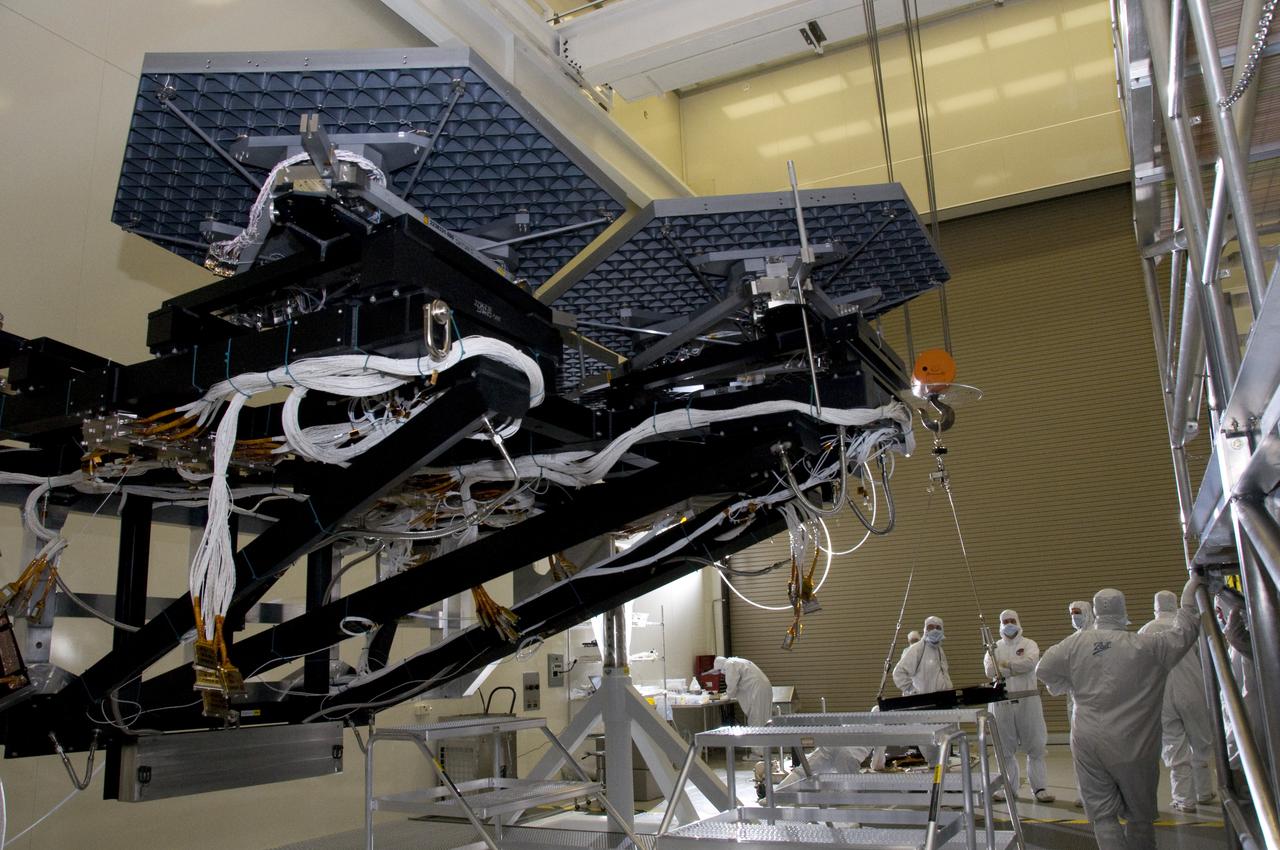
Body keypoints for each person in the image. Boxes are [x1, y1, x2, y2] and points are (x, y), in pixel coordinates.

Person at [1036, 577, 1201, 850]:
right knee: (1140, 814)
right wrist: (1188, 597)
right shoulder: (1147, 646)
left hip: (1087, 738)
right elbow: (1184, 633)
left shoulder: (1075, 644)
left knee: (1102, 815)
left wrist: (1068, 684)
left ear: (1096, 611)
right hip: (1135, 742)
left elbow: (1043, 669)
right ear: (1123, 610)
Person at [1139, 590, 1215, 812]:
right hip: (1193, 688)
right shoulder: (1190, 626)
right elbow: (1207, 657)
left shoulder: (1146, 630)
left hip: (1162, 693)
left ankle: (1183, 798)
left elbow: (1140, 666)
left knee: (1174, 743)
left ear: (1155, 606)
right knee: (1200, 740)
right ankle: (1204, 792)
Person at [984, 609, 1054, 803]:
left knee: (1036, 746)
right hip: (1002, 702)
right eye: (1005, 621)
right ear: (1000, 624)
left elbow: (1030, 664)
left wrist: (1004, 665)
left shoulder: (1029, 644)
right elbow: (990, 669)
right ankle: (1008, 788)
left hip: (1028, 701)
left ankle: (1040, 788)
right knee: (1004, 749)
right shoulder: (993, 647)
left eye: (1011, 620)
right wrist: (1013, 666)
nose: (1008, 624)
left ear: (1018, 621)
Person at [1066, 599, 1094, 807]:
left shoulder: (1100, 637)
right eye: (1072, 613)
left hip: (1103, 705)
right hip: (1078, 705)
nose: (1075, 616)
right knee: (1081, 753)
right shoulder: (1070, 642)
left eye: (1078, 612)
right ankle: (1085, 794)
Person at [893, 616, 952, 695]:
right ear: (925, 630)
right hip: (923, 702)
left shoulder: (939, 650)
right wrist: (912, 690)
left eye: (938, 628)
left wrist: (948, 690)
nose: (935, 630)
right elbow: (898, 672)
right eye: (930, 627)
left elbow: (944, 674)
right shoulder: (917, 649)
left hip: (941, 700)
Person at [710, 655, 773, 728]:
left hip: (757, 689)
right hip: (764, 687)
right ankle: (765, 737)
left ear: (721, 667)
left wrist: (713, 697)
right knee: (765, 719)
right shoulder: (738, 661)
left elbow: (731, 689)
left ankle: (756, 738)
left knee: (756, 719)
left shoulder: (729, 664)